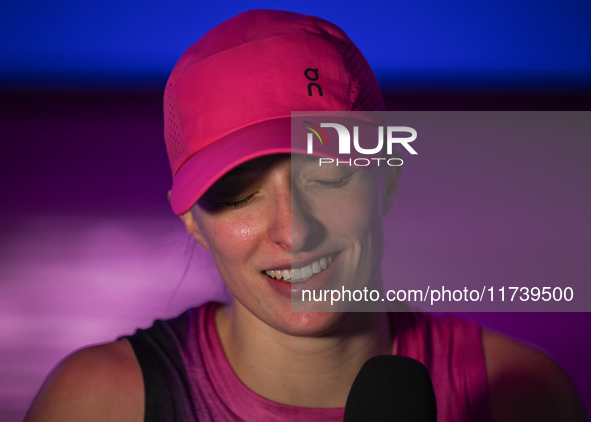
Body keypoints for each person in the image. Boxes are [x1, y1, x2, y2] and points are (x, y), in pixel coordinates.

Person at [24, 10, 587, 422]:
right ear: (192, 220)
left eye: (328, 177)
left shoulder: (521, 395)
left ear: (385, 179)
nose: (294, 231)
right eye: (240, 193)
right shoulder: (98, 405)